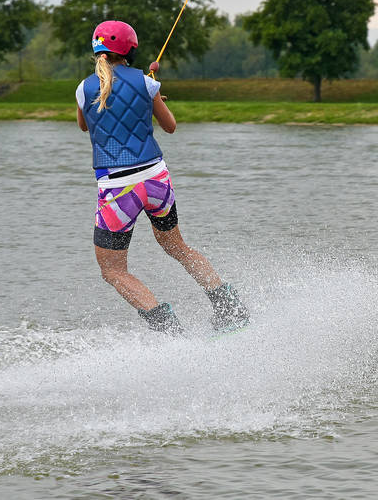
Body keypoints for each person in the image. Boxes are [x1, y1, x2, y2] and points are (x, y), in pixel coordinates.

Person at [75, 20, 249, 335]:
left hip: (118, 191)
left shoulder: (83, 89)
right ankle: (230, 308)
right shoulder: (147, 83)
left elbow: (85, 125)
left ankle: (173, 335)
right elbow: (170, 126)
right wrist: (150, 101)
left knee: (113, 270)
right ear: (130, 50)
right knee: (177, 246)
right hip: (156, 181)